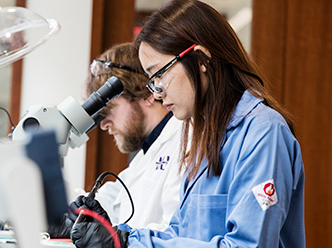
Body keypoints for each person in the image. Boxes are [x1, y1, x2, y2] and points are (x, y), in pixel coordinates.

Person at [70, 0, 305, 247]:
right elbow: (179, 233)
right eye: (152, 80)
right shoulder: (207, 137)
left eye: (160, 74)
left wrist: (124, 243)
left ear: (201, 58)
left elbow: (247, 245)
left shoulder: (262, 133)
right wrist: (119, 235)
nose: (157, 93)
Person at [48, 42, 185, 238]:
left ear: (146, 93)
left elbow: (178, 235)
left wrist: (120, 240)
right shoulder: (143, 158)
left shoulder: (184, 142)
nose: (103, 125)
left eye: (108, 110)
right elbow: (104, 204)